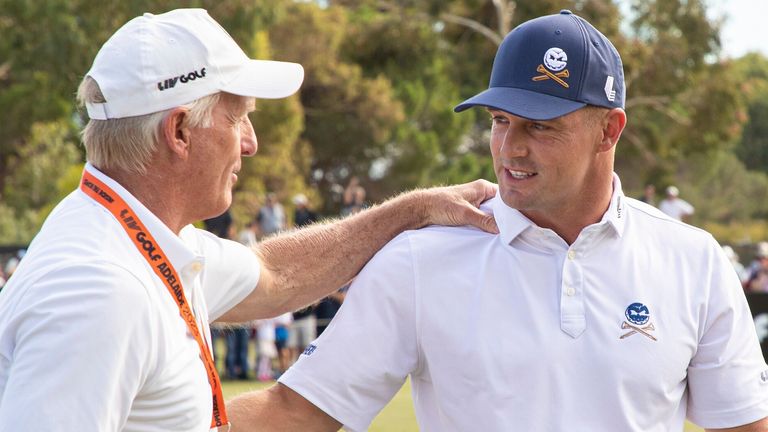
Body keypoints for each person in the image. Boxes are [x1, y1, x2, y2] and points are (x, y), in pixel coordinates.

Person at [228, 10, 768, 432]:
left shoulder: (694, 260)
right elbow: (293, 415)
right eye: (500, 121)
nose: (510, 148)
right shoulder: (420, 259)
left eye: (540, 127)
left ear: (609, 131)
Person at [0, 9, 497, 431]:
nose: (251, 142)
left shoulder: (139, 237)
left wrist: (412, 210)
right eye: (238, 117)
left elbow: (276, 274)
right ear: (179, 131)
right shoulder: (101, 291)